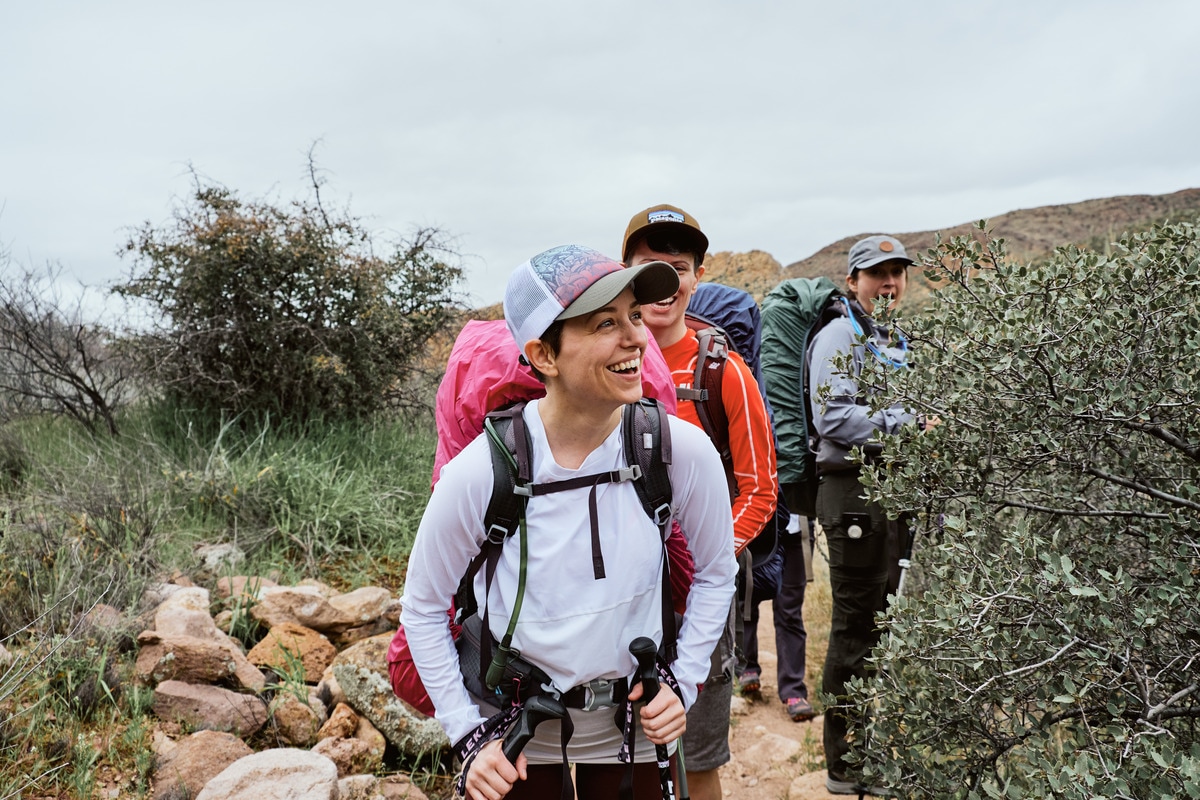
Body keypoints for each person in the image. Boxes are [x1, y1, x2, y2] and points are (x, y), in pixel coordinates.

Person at [400, 244, 738, 800]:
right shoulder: (483, 472)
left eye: (633, 316)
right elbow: (422, 606)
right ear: (544, 355)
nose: (635, 337)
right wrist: (467, 735)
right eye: (605, 323)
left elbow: (716, 573)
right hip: (515, 734)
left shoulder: (677, 452)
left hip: (632, 730)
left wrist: (683, 682)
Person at [621, 205, 779, 800]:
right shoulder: (607, 366)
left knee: (697, 760)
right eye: (650, 266)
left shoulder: (723, 372)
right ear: (625, 273)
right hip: (612, 594)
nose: (666, 281)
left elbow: (761, 488)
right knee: (614, 755)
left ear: (698, 276)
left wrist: (701, 561)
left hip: (700, 605)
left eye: (679, 267)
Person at [810, 234, 921, 796]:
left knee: (883, 626)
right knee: (855, 628)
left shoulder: (894, 339)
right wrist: (910, 425)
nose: (889, 282)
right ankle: (844, 764)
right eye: (878, 273)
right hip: (855, 495)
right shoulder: (838, 335)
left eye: (897, 272)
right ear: (852, 281)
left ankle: (868, 751)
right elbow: (832, 418)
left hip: (892, 494)